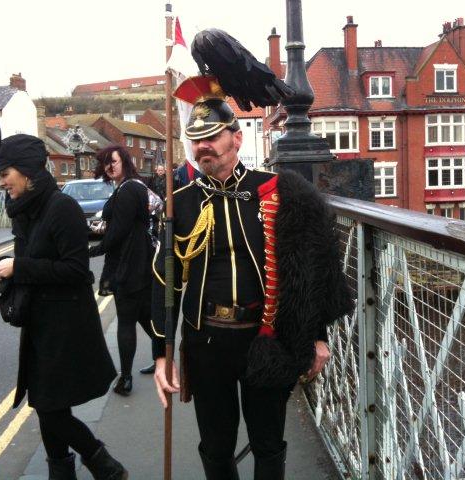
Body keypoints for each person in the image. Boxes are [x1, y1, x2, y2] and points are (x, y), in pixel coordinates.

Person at [151, 78, 353, 479]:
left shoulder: (279, 191)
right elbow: (165, 279)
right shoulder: (182, 203)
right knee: (215, 445)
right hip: (206, 341)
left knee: (268, 443)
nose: (203, 146)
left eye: (212, 136)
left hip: (266, 339)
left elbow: (311, 268)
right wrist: (163, 351)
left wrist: (317, 336)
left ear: (236, 138)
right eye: (196, 139)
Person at [0, 135, 127, 480]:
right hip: (40, 323)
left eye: (6, 173)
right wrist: (10, 267)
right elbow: (32, 258)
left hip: (66, 325)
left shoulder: (61, 207)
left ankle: (103, 464)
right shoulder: (24, 210)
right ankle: (66, 473)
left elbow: (77, 270)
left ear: (28, 172)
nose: (2, 181)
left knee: (48, 409)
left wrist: (20, 267)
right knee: (49, 405)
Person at [89, 146, 156, 392]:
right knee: (145, 317)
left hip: (129, 264)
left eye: (113, 161)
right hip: (138, 261)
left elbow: (119, 232)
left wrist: (93, 250)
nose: (110, 166)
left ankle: (125, 379)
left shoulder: (128, 189)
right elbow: (122, 226)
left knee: (127, 320)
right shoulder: (132, 186)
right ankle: (165, 360)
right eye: (106, 163)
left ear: (124, 161)